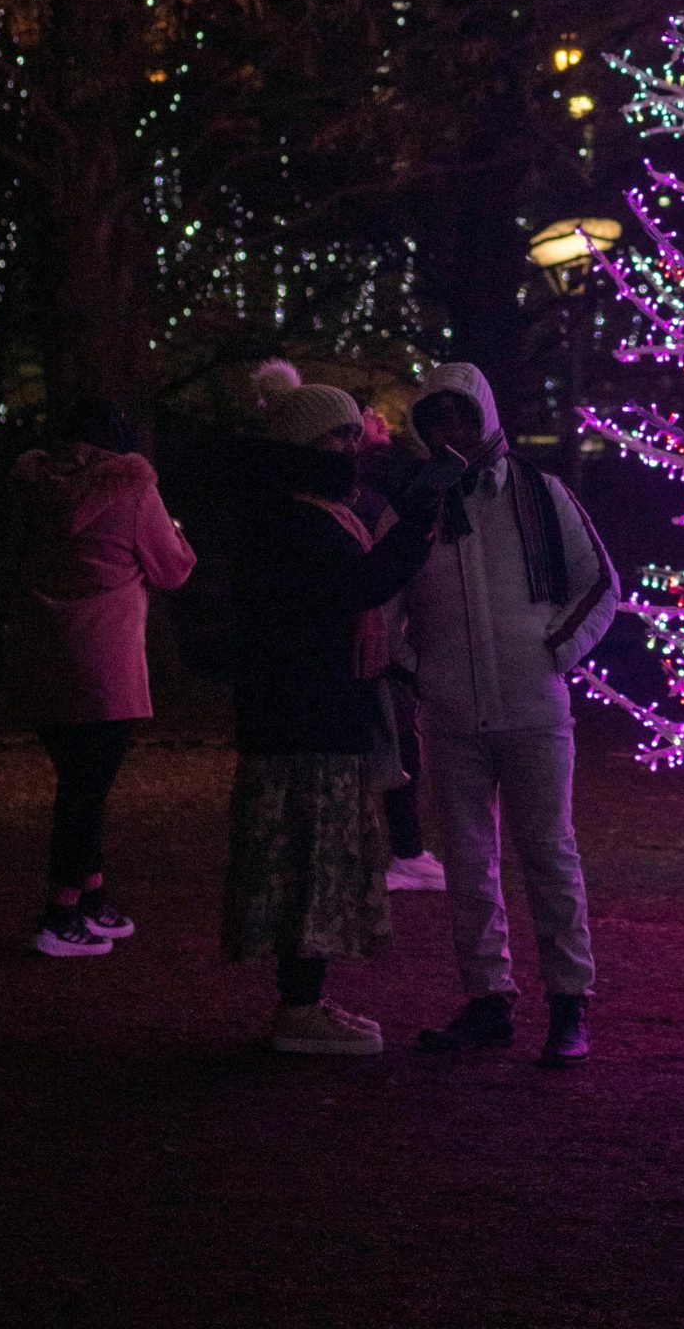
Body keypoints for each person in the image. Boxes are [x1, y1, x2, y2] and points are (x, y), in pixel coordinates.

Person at [400, 362, 617, 1067]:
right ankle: (488, 996)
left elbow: (599, 583)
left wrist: (553, 652)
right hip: (453, 710)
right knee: (467, 860)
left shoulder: (537, 493)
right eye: (435, 421)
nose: (449, 432)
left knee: (547, 852)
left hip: (530, 705)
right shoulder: (420, 507)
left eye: (459, 416)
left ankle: (567, 1000)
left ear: (482, 416)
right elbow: (388, 598)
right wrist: (419, 667)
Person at [222, 382, 445, 1056]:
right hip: (303, 716)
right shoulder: (290, 521)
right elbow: (353, 588)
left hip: (313, 712)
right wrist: (411, 531)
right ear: (303, 445)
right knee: (308, 862)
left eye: (355, 435)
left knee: (316, 860)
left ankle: (308, 998)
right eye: (339, 437)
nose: (353, 449)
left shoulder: (310, 512)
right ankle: (298, 1006)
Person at [9, 398, 197, 958]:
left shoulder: (31, 485)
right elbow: (172, 568)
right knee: (85, 792)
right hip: (104, 662)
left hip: (42, 652)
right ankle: (60, 912)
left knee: (77, 780)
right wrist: (179, 536)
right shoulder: (131, 485)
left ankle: (89, 897)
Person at [350, 409, 445, 894]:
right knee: (391, 746)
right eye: (364, 413)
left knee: (399, 746)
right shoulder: (363, 497)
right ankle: (398, 852)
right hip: (378, 645)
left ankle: (404, 849)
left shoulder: (379, 485)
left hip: (386, 641)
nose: (378, 416)